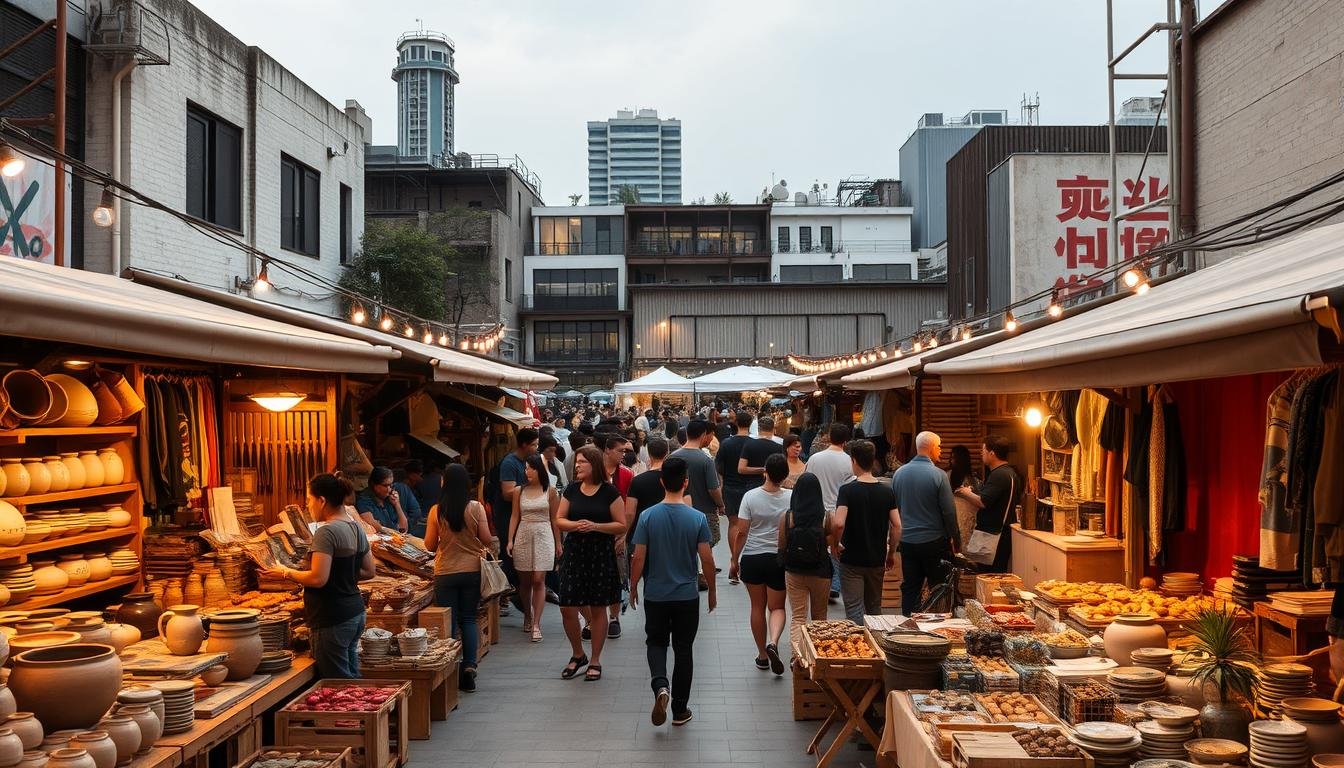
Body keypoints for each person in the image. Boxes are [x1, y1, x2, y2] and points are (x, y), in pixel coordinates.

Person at [629, 456, 716, 727]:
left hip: (655, 594)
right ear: (686, 483)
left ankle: (660, 686)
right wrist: (712, 590)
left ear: (662, 481)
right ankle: (679, 710)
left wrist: (633, 586)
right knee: (684, 649)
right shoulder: (697, 518)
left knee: (656, 642)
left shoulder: (647, 516)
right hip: (687, 596)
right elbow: (707, 559)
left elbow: (639, 557)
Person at [269, 473, 374, 679]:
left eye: (309, 499)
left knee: (337, 684)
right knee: (351, 678)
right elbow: (369, 571)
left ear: (322, 500)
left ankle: (351, 713)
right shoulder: (355, 526)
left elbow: (318, 579)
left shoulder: (327, 532)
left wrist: (286, 572)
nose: (308, 505)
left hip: (332, 617)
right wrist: (341, 574)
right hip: (354, 612)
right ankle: (360, 711)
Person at [556, 445, 626, 681]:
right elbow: (559, 519)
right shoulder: (572, 490)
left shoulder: (609, 492)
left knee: (598, 607)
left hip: (600, 554)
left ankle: (595, 659)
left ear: (594, 464)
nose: (577, 466)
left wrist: (596, 526)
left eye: (582, 462)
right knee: (567, 606)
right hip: (575, 552)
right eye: (577, 462)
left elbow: (621, 524)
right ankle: (578, 653)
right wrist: (577, 525)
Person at [426, 464, 495, 692]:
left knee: (450, 622)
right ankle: (469, 667)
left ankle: (451, 669)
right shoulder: (476, 507)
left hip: (445, 571)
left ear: (445, 482)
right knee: (468, 619)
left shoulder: (436, 510)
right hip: (472, 570)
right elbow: (486, 539)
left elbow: (428, 545)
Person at [891, 431, 961, 617]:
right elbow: (949, 511)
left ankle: (907, 625)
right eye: (938, 447)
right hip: (934, 541)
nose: (940, 451)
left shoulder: (899, 474)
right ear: (930, 448)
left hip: (907, 541)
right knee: (938, 588)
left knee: (910, 587)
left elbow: (895, 508)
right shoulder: (939, 475)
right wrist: (956, 539)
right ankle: (937, 629)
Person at [832, 440, 902, 624]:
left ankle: (860, 646)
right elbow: (897, 525)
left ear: (854, 461)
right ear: (873, 461)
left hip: (851, 559)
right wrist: (891, 553)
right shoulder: (887, 492)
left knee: (854, 608)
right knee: (874, 607)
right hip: (877, 558)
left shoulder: (847, 490)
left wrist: (835, 544)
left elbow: (838, 523)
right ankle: (876, 645)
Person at [738, 453, 792, 675]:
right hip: (779, 558)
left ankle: (762, 654)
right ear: (785, 475)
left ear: (765, 472)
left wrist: (734, 559)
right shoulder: (792, 496)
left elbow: (741, 532)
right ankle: (774, 642)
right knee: (777, 607)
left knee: (757, 607)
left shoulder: (750, 497)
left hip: (752, 557)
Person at [509, 453, 561, 642]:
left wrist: (558, 542)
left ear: (539, 469)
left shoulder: (551, 491)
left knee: (539, 579)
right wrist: (510, 539)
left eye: (530, 468)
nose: (527, 471)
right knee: (524, 581)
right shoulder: (518, 491)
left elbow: (555, 519)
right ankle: (528, 615)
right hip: (523, 533)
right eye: (525, 468)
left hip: (544, 533)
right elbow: (515, 516)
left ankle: (537, 623)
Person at [955, 435, 1021, 572]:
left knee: (987, 576)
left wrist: (963, 492)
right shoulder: (1010, 473)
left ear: (992, 453)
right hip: (998, 534)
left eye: (983, 450)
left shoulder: (999, 475)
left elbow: (983, 502)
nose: (981, 453)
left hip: (993, 536)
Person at [805, 423, 855, 601]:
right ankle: (834, 584)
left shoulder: (815, 458)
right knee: (836, 547)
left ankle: (821, 581)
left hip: (817, 509)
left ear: (828, 437)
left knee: (819, 547)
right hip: (839, 510)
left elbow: (807, 481)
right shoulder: (849, 461)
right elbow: (851, 488)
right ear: (846, 441)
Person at [779, 473, 832, 639]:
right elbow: (829, 544)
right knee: (820, 618)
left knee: (798, 617)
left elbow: (781, 546)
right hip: (820, 571)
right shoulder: (826, 517)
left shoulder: (787, 517)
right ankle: (817, 659)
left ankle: (797, 659)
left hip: (794, 571)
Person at [497, 428, 540, 611]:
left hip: (525, 518)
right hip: (509, 517)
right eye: (534, 444)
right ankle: (509, 592)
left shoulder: (528, 462)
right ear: (524, 444)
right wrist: (532, 487)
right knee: (511, 557)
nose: (537, 448)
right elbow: (507, 493)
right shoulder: (509, 463)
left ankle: (517, 594)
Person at [670, 420, 725, 558]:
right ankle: (704, 575)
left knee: (683, 548)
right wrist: (721, 504)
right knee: (706, 549)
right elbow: (714, 489)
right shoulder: (705, 460)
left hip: (678, 511)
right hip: (705, 512)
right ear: (703, 435)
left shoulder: (672, 457)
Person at [717, 411, 754, 585]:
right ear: (751, 422)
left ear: (735, 423)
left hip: (731, 488)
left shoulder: (726, 443)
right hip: (752, 488)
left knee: (733, 524)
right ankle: (744, 558)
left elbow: (720, 468)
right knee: (749, 527)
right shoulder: (754, 444)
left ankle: (734, 559)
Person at [356, 467, 416, 534]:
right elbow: (372, 524)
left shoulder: (390, 498)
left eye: (390, 485)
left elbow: (403, 529)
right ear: (374, 485)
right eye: (385, 486)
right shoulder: (364, 500)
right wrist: (392, 532)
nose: (389, 489)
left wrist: (397, 504)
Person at [948, 445, 980, 547]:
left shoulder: (974, 478)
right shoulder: (947, 475)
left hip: (968, 515)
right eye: (951, 457)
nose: (951, 461)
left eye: (953, 458)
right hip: (955, 513)